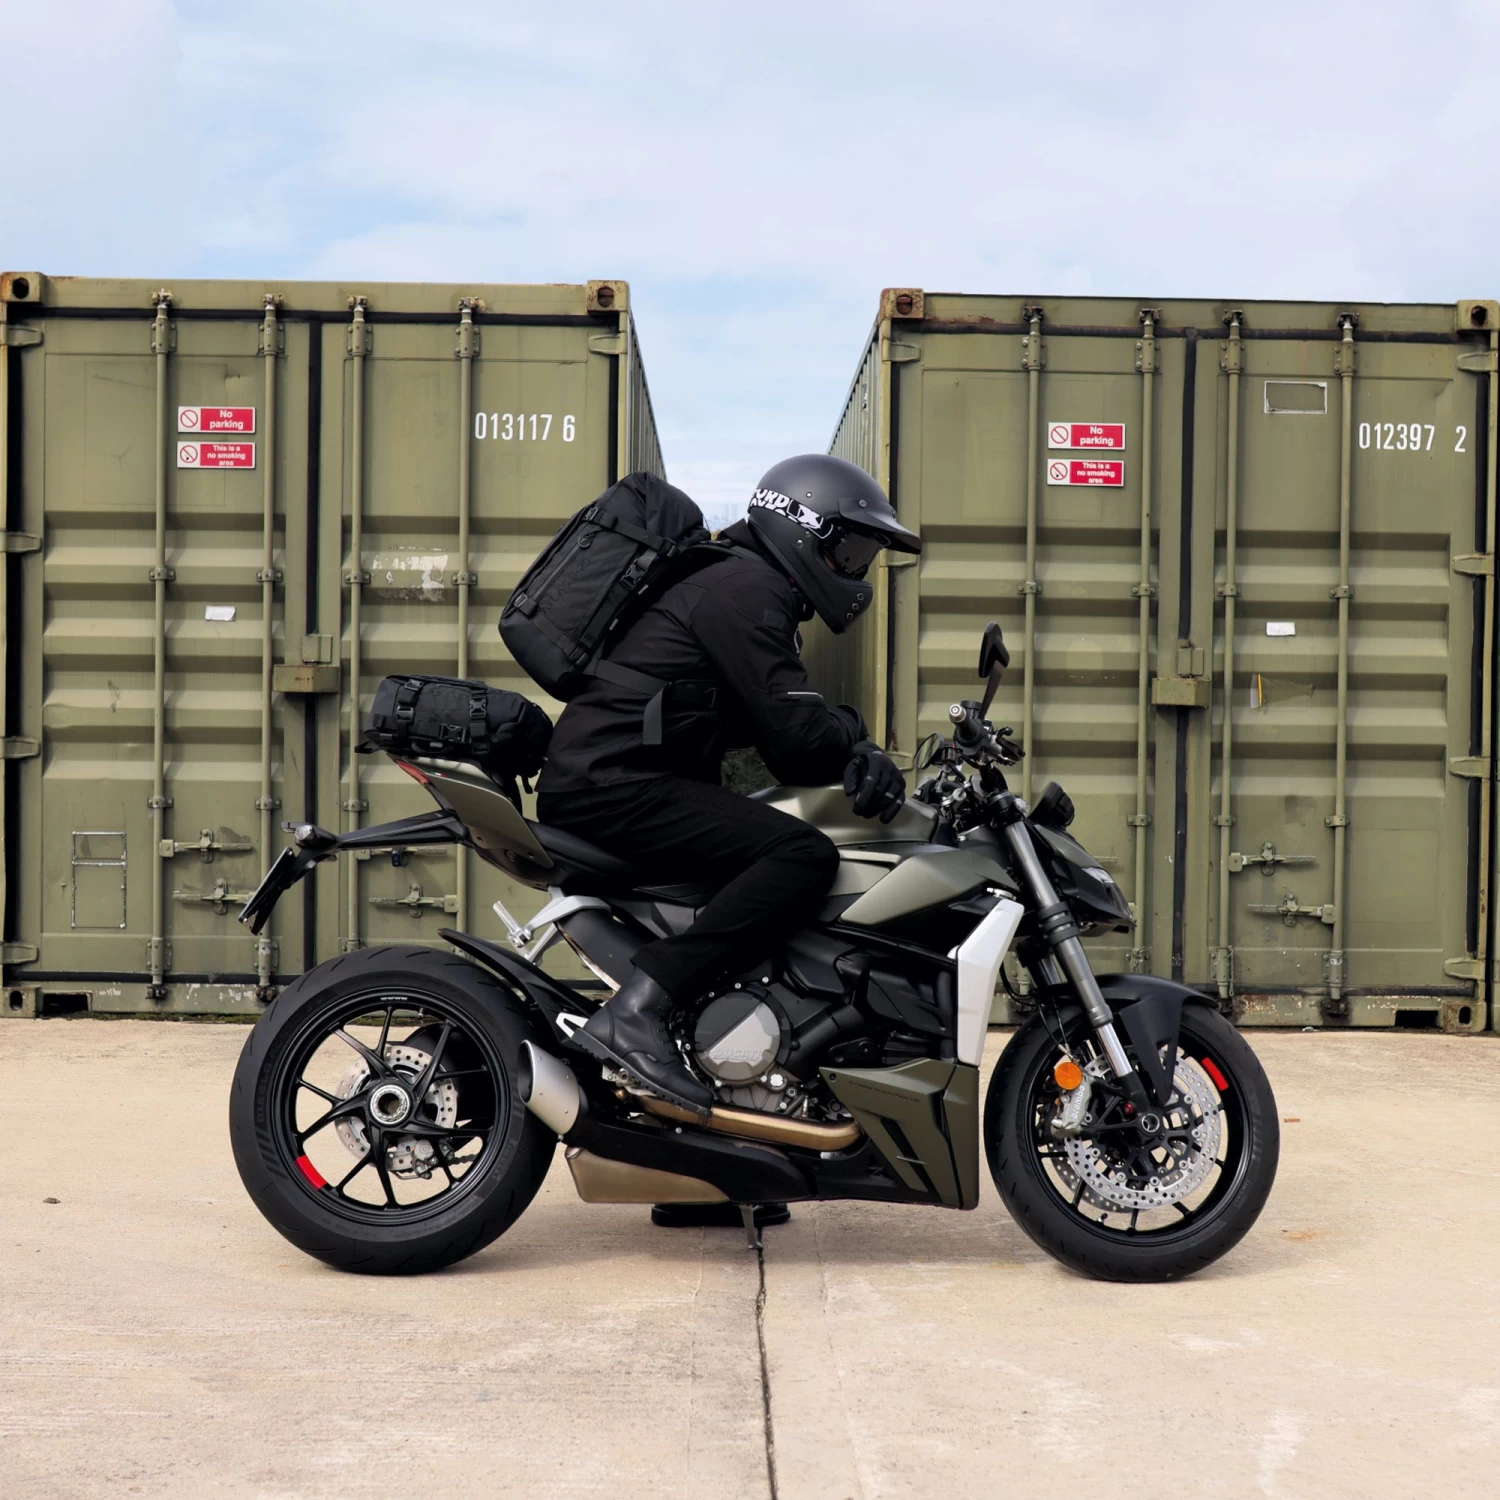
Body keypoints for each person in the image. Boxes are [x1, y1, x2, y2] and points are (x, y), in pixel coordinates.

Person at [535, 454, 921, 1115]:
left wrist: (851, 751)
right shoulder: (747, 589)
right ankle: (637, 1013)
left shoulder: (736, 581)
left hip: (615, 780)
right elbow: (800, 734)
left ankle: (727, 1090)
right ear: (804, 530)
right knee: (802, 855)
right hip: (613, 786)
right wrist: (858, 740)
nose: (856, 572)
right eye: (851, 551)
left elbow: (790, 751)